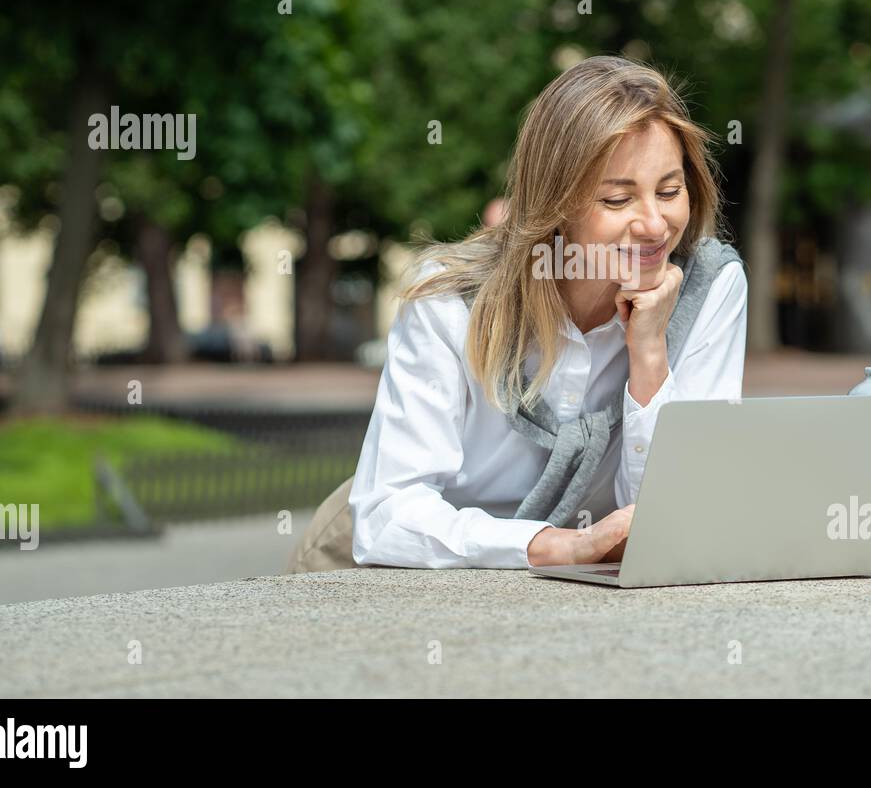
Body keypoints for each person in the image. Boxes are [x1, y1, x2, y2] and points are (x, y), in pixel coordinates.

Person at [283, 55, 747, 572]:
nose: (656, 224)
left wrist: (649, 353)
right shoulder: (450, 298)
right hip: (390, 562)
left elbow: (677, 515)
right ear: (556, 205)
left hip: (567, 577)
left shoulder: (710, 286)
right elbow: (388, 515)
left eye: (669, 191)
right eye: (618, 199)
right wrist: (551, 546)